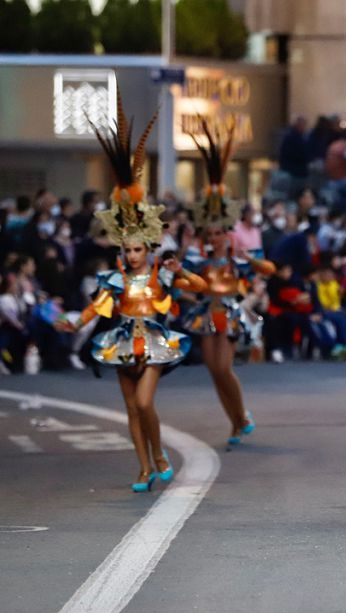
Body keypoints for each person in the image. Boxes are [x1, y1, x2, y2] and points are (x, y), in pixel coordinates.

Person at [57, 98, 207, 492]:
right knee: (129, 407)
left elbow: (200, 288)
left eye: (138, 249)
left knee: (144, 403)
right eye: (128, 249)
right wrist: (74, 321)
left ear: (148, 249)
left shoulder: (161, 273)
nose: (131, 254)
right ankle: (143, 468)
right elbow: (96, 308)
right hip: (122, 341)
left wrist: (183, 271)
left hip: (154, 341)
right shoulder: (114, 278)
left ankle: (159, 455)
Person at [183, 119, 276, 446]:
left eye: (219, 232)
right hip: (208, 313)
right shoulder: (200, 258)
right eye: (210, 233)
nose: (215, 237)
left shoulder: (238, 256)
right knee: (213, 372)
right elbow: (183, 279)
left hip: (231, 314)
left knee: (224, 368)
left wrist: (247, 257)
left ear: (227, 231)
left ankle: (242, 415)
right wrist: (186, 245)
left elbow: (269, 269)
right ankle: (236, 422)